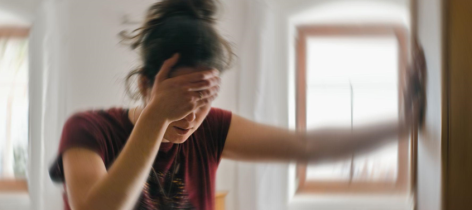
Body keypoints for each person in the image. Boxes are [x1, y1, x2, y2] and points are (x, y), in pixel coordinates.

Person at [49, 0, 425, 209]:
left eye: (203, 99)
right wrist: (157, 117)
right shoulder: (88, 130)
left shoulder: (211, 128)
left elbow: (307, 145)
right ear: (146, 85)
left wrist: (404, 123)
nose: (191, 116)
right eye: (179, 98)